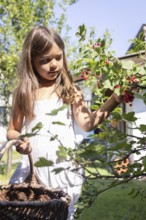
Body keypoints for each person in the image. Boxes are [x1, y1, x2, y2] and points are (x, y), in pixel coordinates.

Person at [7, 26, 122, 220]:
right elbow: (12, 129)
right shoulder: (24, 92)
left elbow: (87, 123)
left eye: (58, 58)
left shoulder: (69, 90)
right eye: (45, 60)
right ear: (31, 61)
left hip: (63, 171)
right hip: (33, 170)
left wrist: (115, 100)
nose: (53, 65)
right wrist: (20, 140)